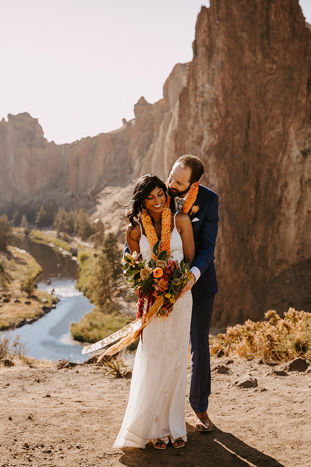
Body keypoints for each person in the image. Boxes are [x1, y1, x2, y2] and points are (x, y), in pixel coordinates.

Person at [113, 175, 195, 450]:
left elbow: (191, 259)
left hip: (181, 299)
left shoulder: (181, 220)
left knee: (175, 359)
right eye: (151, 197)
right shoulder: (134, 231)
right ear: (141, 201)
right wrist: (151, 285)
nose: (158, 201)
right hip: (152, 303)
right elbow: (134, 270)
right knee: (154, 357)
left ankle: (175, 425)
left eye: (161, 194)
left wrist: (174, 282)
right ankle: (155, 427)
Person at [167, 155, 219, 432]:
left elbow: (208, 248)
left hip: (199, 283)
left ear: (193, 183)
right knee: (166, 345)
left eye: (179, 181)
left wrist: (192, 276)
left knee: (199, 346)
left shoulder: (209, 201)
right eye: (171, 176)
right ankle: (165, 408)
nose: (171, 184)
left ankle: (200, 408)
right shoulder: (158, 193)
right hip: (163, 284)